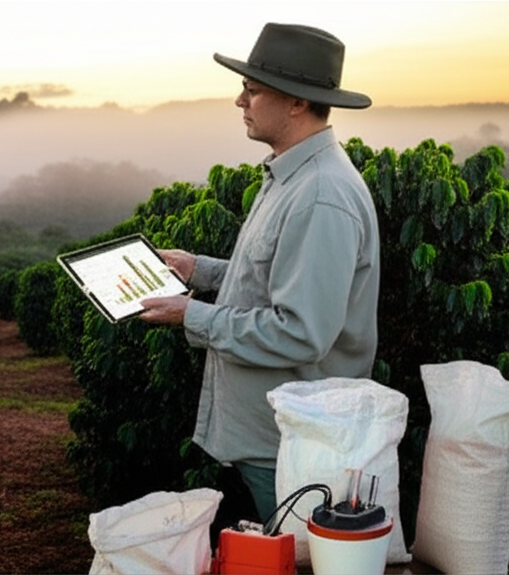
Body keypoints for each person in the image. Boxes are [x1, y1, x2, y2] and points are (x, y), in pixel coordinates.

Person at [138, 22, 380, 524]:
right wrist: (199, 270)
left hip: (290, 447)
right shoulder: (291, 175)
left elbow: (302, 332)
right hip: (272, 437)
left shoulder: (320, 194)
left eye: (252, 89)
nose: (240, 101)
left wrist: (191, 316)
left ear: (296, 102)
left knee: (294, 553)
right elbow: (283, 276)